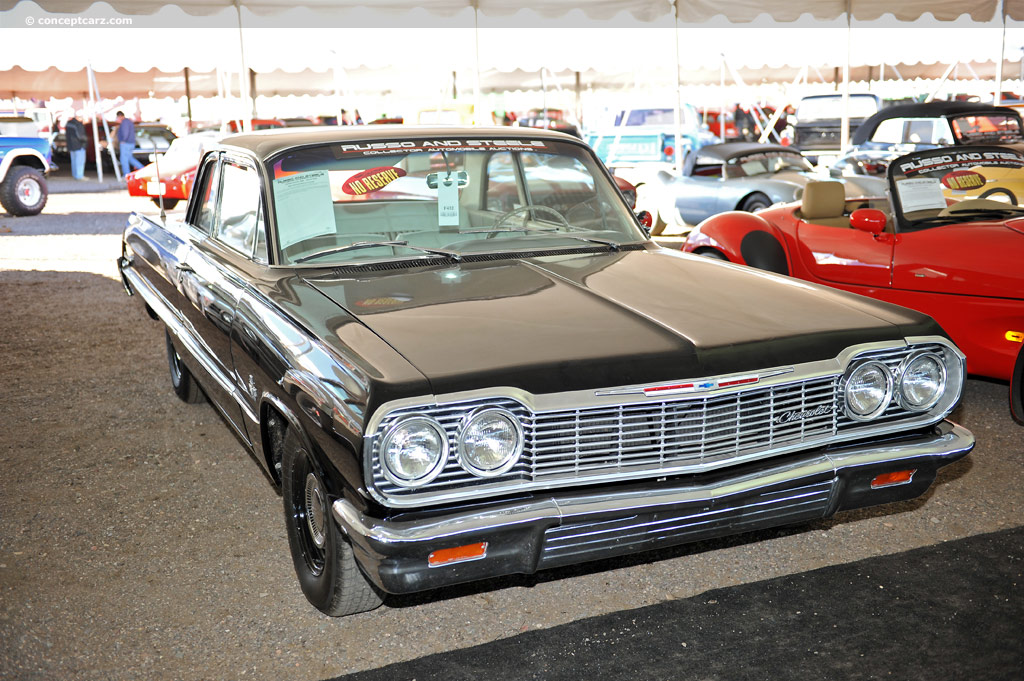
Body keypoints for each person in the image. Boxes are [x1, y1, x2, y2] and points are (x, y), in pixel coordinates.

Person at [115, 111, 143, 178]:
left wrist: (123, 140)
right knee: (130, 159)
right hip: (130, 143)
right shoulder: (128, 121)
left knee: (124, 159)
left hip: (126, 143)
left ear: (120, 116)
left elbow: (125, 132)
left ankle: (126, 175)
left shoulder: (125, 122)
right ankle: (142, 169)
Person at [64, 114, 87, 181]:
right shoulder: (78, 124)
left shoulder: (68, 123)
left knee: (74, 161)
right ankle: (79, 176)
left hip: (71, 145)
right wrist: (85, 141)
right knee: (80, 161)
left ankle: (75, 175)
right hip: (79, 145)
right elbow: (81, 136)